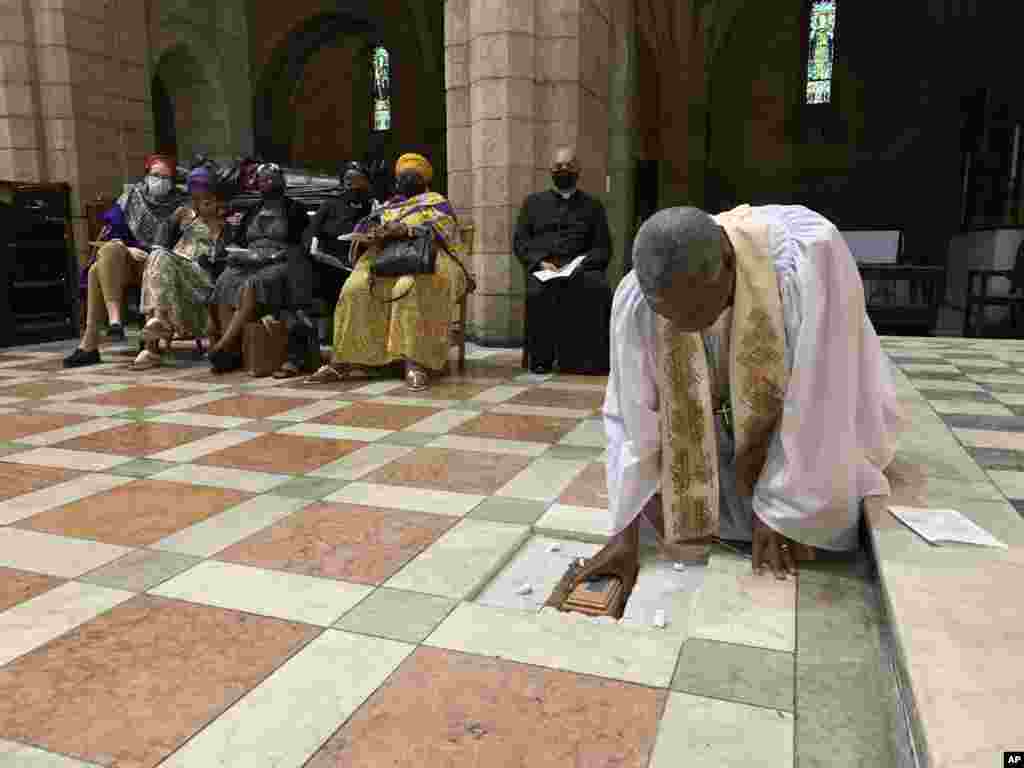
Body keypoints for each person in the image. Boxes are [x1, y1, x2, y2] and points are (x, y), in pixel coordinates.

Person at [572, 205, 902, 602]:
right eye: (669, 318)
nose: (684, 327)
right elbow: (629, 415)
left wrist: (780, 508)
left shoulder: (808, 257)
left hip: (817, 407)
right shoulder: (640, 297)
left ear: (729, 263)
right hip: (727, 425)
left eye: (696, 312)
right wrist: (623, 531)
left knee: (802, 510)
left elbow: (821, 397)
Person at [305, 152, 468, 391]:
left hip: (426, 258)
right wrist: (374, 232)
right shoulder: (389, 205)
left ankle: (415, 361)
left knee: (408, 288)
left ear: (424, 181)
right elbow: (367, 225)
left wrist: (405, 229)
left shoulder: (437, 202)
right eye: (402, 176)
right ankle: (346, 359)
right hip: (387, 257)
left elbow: (445, 230)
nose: (406, 180)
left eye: (412, 176)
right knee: (355, 288)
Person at [64, 154, 184, 368]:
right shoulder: (131, 197)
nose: (161, 181)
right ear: (146, 175)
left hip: (159, 264)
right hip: (127, 262)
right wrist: (129, 248)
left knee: (96, 272)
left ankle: (90, 344)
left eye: (166, 177)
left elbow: (183, 243)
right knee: (110, 250)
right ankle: (115, 319)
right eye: (156, 175)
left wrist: (151, 253)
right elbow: (113, 234)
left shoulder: (179, 204)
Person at [513, 146, 614, 374]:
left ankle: (586, 360)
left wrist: (581, 263)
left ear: (578, 171)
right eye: (559, 166)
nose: (564, 170)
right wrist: (539, 262)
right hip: (544, 267)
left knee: (598, 289)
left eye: (569, 166)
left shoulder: (593, 205)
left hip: (581, 268)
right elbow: (520, 243)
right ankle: (541, 359)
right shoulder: (532, 203)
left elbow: (603, 247)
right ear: (551, 170)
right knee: (539, 293)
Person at [206, 163, 311, 374]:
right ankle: (233, 351)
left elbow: (302, 245)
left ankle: (223, 346)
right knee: (226, 280)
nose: (268, 182)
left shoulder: (294, 210)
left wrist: (272, 256)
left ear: (282, 181)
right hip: (250, 261)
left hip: (281, 263)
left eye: (272, 178)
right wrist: (236, 253)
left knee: (252, 283)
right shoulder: (253, 210)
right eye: (263, 179)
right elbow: (237, 241)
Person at [132, 169, 230, 370]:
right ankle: (156, 329)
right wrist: (174, 220)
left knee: (159, 259)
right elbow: (158, 244)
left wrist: (212, 221)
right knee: (157, 256)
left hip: (201, 279)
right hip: (174, 274)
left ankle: (152, 344)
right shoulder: (183, 216)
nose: (201, 200)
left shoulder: (225, 222)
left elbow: (222, 257)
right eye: (195, 195)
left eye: (205, 194)